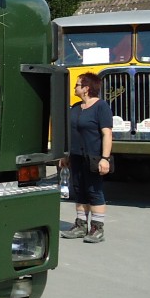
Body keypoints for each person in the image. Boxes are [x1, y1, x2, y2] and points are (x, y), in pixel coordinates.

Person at [60, 71, 113, 243]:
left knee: (94, 191)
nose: (74, 87)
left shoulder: (101, 107)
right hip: (76, 156)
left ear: (86, 88)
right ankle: (81, 226)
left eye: (77, 85)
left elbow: (107, 134)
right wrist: (65, 155)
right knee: (80, 190)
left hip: (94, 157)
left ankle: (97, 229)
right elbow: (70, 133)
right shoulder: (76, 108)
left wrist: (105, 158)